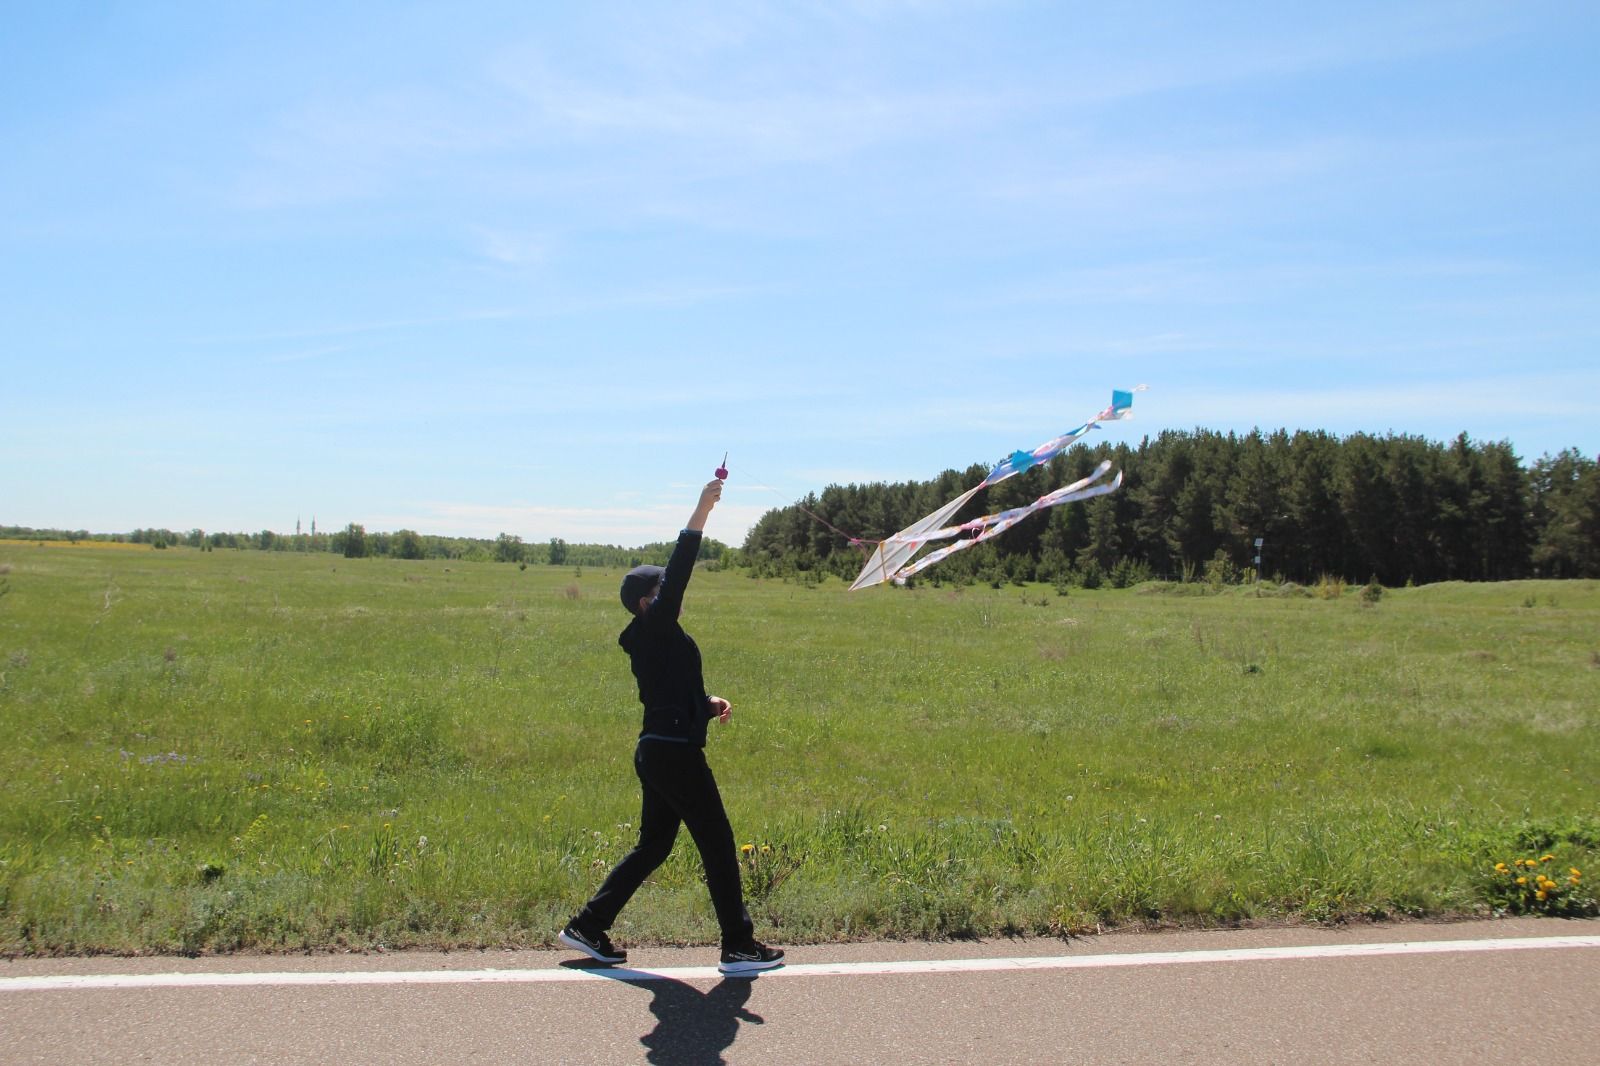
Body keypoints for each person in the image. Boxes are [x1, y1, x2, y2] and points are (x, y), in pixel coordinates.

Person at [559, 477, 784, 975]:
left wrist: (707, 703)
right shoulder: (654, 627)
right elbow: (682, 567)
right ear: (647, 601)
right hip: (673, 753)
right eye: (662, 589)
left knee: (656, 844)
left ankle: (589, 926)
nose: (674, 592)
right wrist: (703, 508)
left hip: (660, 746)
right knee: (718, 842)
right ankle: (739, 946)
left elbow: (671, 693)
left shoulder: (663, 638)